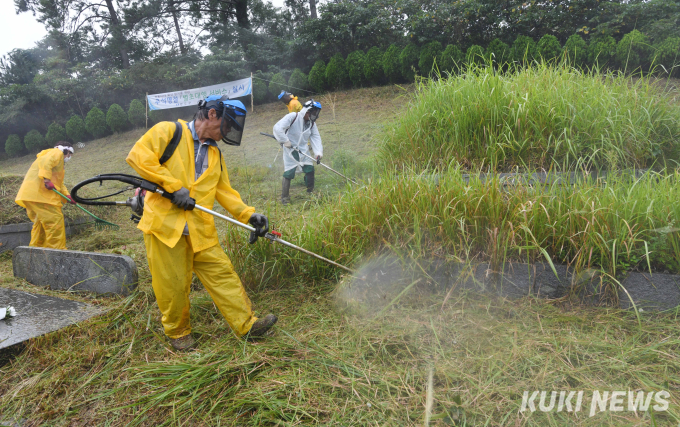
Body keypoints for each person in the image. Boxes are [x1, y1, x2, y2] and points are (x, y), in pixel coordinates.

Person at [126, 95, 277, 351]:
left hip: (200, 230)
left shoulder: (215, 154)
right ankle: (178, 333)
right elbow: (138, 156)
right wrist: (174, 187)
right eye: (227, 125)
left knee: (223, 275)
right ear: (212, 115)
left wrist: (248, 215)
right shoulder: (169, 131)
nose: (227, 132)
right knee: (172, 285)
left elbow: (224, 191)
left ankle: (247, 325)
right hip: (165, 228)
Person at [15, 141, 76, 250]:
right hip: (41, 196)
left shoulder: (58, 163)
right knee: (55, 222)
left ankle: (35, 251)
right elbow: (46, 162)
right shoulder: (56, 153)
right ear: (66, 150)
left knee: (41, 225)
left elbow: (58, 184)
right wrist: (47, 179)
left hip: (33, 195)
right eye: (69, 154)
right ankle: (57, 252)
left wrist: (67, 196)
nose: (69, 157)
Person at [273, 99, 323, 205]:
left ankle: (310, 193)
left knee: (310, 169)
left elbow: (315, 137)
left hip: (303, 149)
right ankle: (285, 198)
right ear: (307, 111)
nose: (314, 116)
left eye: (316, 114)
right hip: (290, 149)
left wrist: (318, 153)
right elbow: (277, 128)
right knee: (289, 172)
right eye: (314, 113)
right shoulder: (293, 117)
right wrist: (285, 140)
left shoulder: (311, 124)